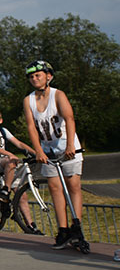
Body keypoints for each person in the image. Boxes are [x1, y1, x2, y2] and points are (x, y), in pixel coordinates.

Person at [22, 60, 84, 249]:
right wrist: (38, 150)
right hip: (47, 150)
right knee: (55, 189)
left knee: (73, 186)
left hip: (67, 145)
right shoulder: (29, 100)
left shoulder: (58, 95)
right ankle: (63, 230)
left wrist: (71, 145)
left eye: (38, 75)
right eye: (31, 76)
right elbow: (31, 127)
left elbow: (69, 118)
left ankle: (77, 227)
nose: (35, 79)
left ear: (48, 76)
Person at [0, 106, 38, 229]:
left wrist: (36, 153)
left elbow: (19, 143)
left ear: (0, 120)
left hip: (7, 164)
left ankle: (30, 225)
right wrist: (10, 154)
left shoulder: (4, 131)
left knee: (22, 195)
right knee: (10, 161)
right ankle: (5, 190)